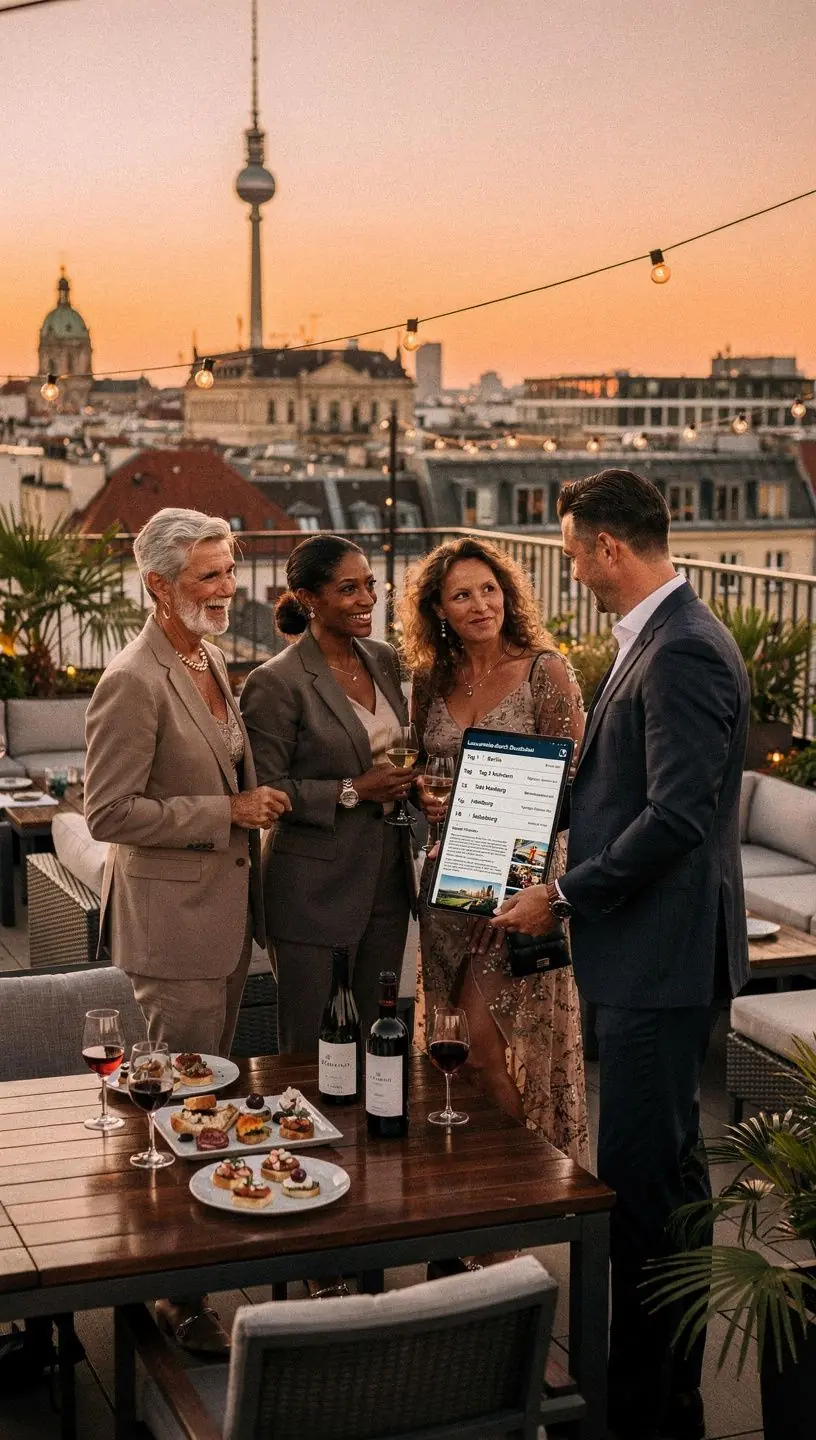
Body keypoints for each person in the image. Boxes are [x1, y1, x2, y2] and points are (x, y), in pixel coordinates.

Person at [492, 470, 751, 1440]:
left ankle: (646, 1408)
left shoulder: (681, 651)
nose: (570, 572)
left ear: (607, 547)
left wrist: (558, 895)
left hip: (661, 956)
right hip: (652, 950)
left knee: (648, 1190)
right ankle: (651, 1394)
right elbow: (618, 790)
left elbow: (676, 815)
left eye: (569, 554)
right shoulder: (660, 637)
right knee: (661, 1179)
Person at [84, 506, 290, 1354]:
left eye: (230, 570)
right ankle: (177, 1294)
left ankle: (183, 1267)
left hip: (225, 920)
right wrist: (226, 809)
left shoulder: (205, 658)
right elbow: (106, 812)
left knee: (204, 1098)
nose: (226, 587)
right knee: (176, 1110)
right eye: (207, 575)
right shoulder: (133, 678)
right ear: (157, 585)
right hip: (173, 931)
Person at [400, 536, 588, 1160]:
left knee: (490, 1046)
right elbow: (422, 773)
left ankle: (512, 1205)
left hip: (518, 888)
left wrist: (506, 890)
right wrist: (423, 800)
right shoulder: (430, 680)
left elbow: (574, 792)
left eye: (489, 589)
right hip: (446, 886)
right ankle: (468, 1201)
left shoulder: (545, 671)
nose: (481, 604)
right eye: (461, 595)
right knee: (450, 1051)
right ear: (440, 611)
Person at [241, 533, 415, 1053]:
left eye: (370, 585)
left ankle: (370, 1132)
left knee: (376, 1039)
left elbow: (396, 748)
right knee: (310, 1046)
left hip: (387, 877)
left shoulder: (382, 659)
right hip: (312, 889)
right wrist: (353, 790)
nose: (367, 600)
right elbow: (266, 791)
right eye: (348, 589)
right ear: (309, 599)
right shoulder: (276, 682)